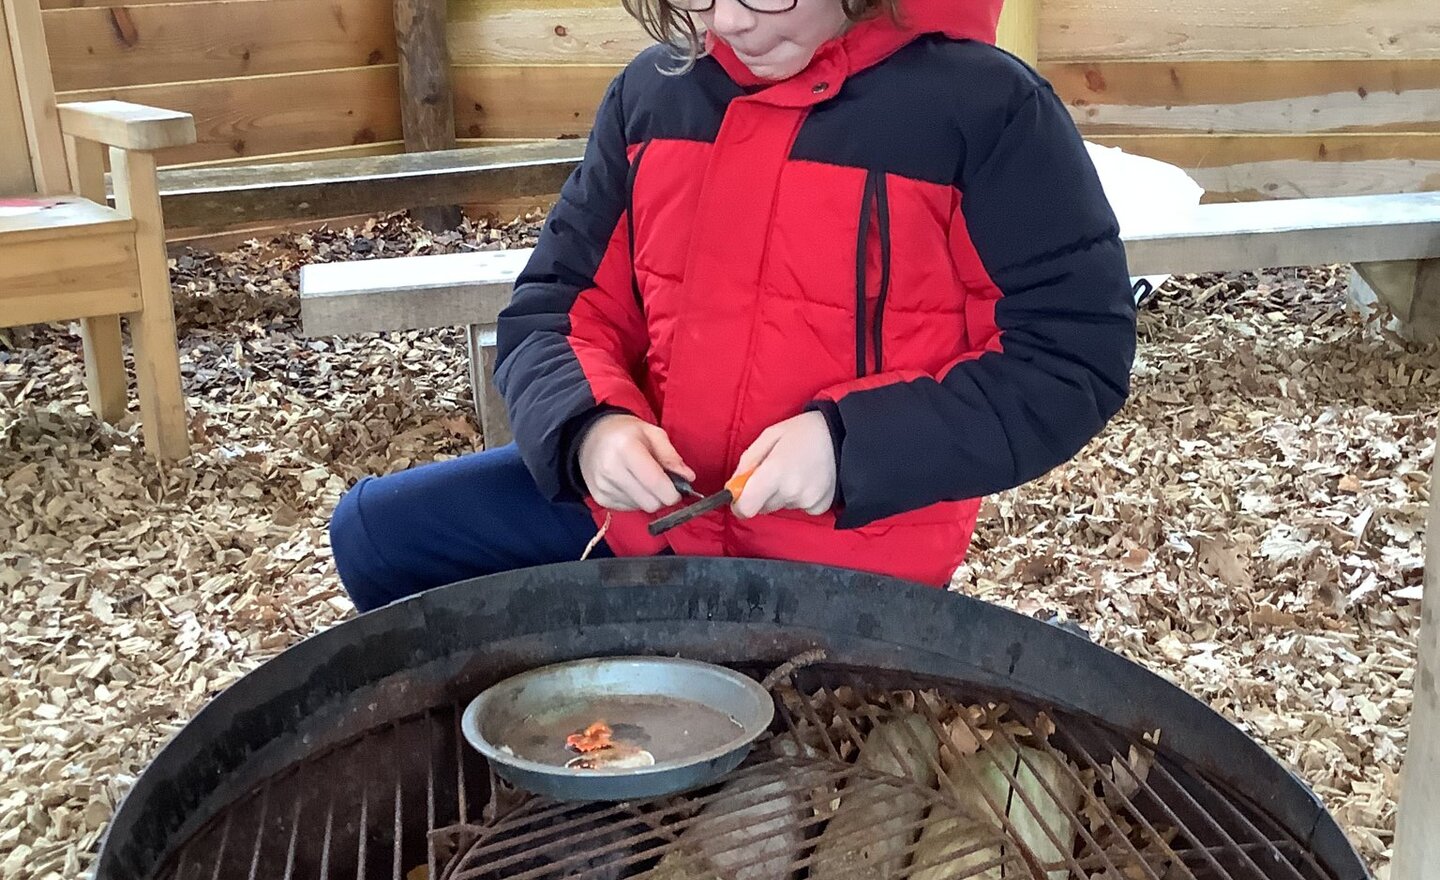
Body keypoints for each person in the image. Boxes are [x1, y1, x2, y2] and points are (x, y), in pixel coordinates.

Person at [329, 0, 1138, 613]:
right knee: (374, 536)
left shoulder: (984, 109)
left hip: (847, 573)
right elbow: (554, 307)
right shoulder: (656, 94)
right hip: (646, 524)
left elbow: (1070, 360)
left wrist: (846, 444)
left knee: (754, 775)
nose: (728, 20)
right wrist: (587, 427)